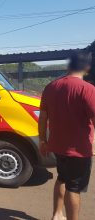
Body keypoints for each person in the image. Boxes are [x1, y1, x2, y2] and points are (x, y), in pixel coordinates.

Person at [38, 51, 94, 220]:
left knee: (62, 178)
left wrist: (42, 140)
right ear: (86, 67)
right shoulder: (87, 89)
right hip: (79, 149)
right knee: (74, 187)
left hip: (57, 145)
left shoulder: (50, 87)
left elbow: (43, 117)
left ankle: (57, 214)